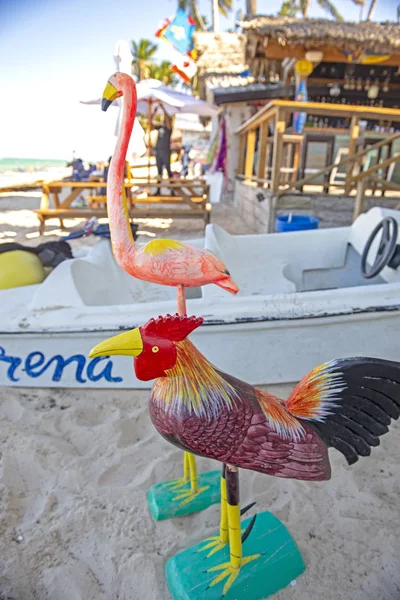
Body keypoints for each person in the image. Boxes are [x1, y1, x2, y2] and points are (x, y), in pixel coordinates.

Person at [154, 109, 173, 195]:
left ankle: (172, 190)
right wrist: (154, 112)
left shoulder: (169, 129)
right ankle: (158, 189)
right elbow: (150, 124)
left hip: (166, 152)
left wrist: (164, 109)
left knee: (168, 171)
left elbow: (168, 122)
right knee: (159, 172)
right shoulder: (160, 127)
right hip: (159, 152)